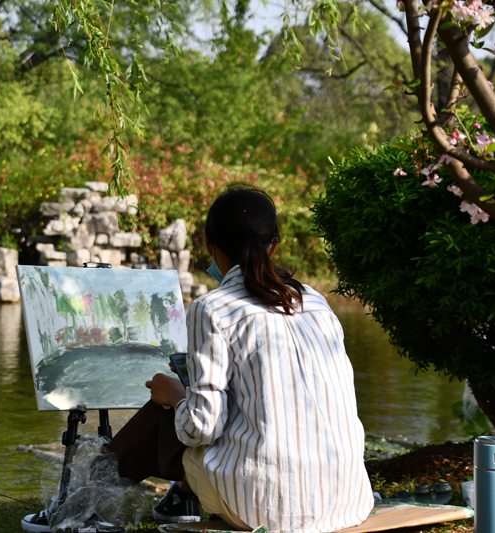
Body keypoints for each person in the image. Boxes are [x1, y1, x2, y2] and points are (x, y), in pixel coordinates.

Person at [22, 184, 373, 533]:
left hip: (266, 509)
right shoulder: (314, 301)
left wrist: (175, 396)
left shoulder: (213, 308)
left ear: (208, 243)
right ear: (275, 246)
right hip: (347, 497)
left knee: (167, 407)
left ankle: (78, 503)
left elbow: (201, 428)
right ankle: (178, 498)